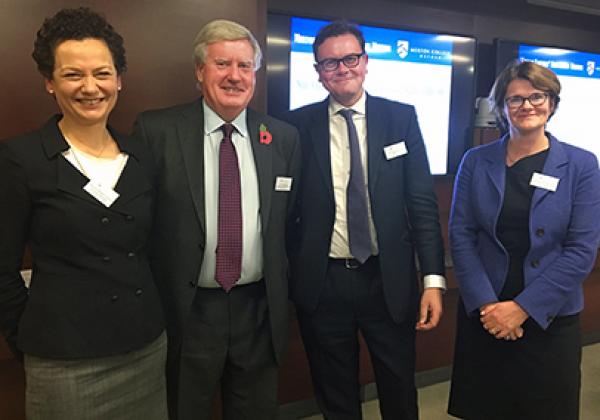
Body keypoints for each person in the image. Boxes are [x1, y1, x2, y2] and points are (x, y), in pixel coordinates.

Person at [0, 7, 168, 420]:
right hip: (63, 360)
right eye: (73, 74)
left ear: (119, 80)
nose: (90, 87)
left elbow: (158, 249)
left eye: (102, 73)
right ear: (50, 83)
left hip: (144, 348)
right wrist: (26, 335)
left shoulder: (141, 155)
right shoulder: (21, 159)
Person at [134, 19, 301, 420]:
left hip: (258, 309)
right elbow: (139, 225)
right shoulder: (156, 131)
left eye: (245, 66)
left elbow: (288, 221)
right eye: (222, 64)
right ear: (199, 71)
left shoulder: (282, 137)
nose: (234, 76)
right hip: (188, 309)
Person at [284, 21, 446, 420]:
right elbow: (285, 210)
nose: (342, 68)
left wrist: (432, 280)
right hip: (324, 283)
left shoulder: (400, 119)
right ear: (318, 72)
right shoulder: (295, 126)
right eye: (330, 62)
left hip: (387, 279)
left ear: (366, 61)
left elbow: (422, 204)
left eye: (350, 58)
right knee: (334, 391)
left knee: (398, 386)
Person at [448, 61, 600, 420]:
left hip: (550, 317)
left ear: (552, 102)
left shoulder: (581, 165)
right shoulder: (476, 161)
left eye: (537, 96)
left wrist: (522, 308)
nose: (527, 106)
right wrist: (488, 306)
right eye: (515, 99)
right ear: (501, 108)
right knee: (486, 408)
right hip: (485, 315)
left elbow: (581, 250)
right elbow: (461, 234)